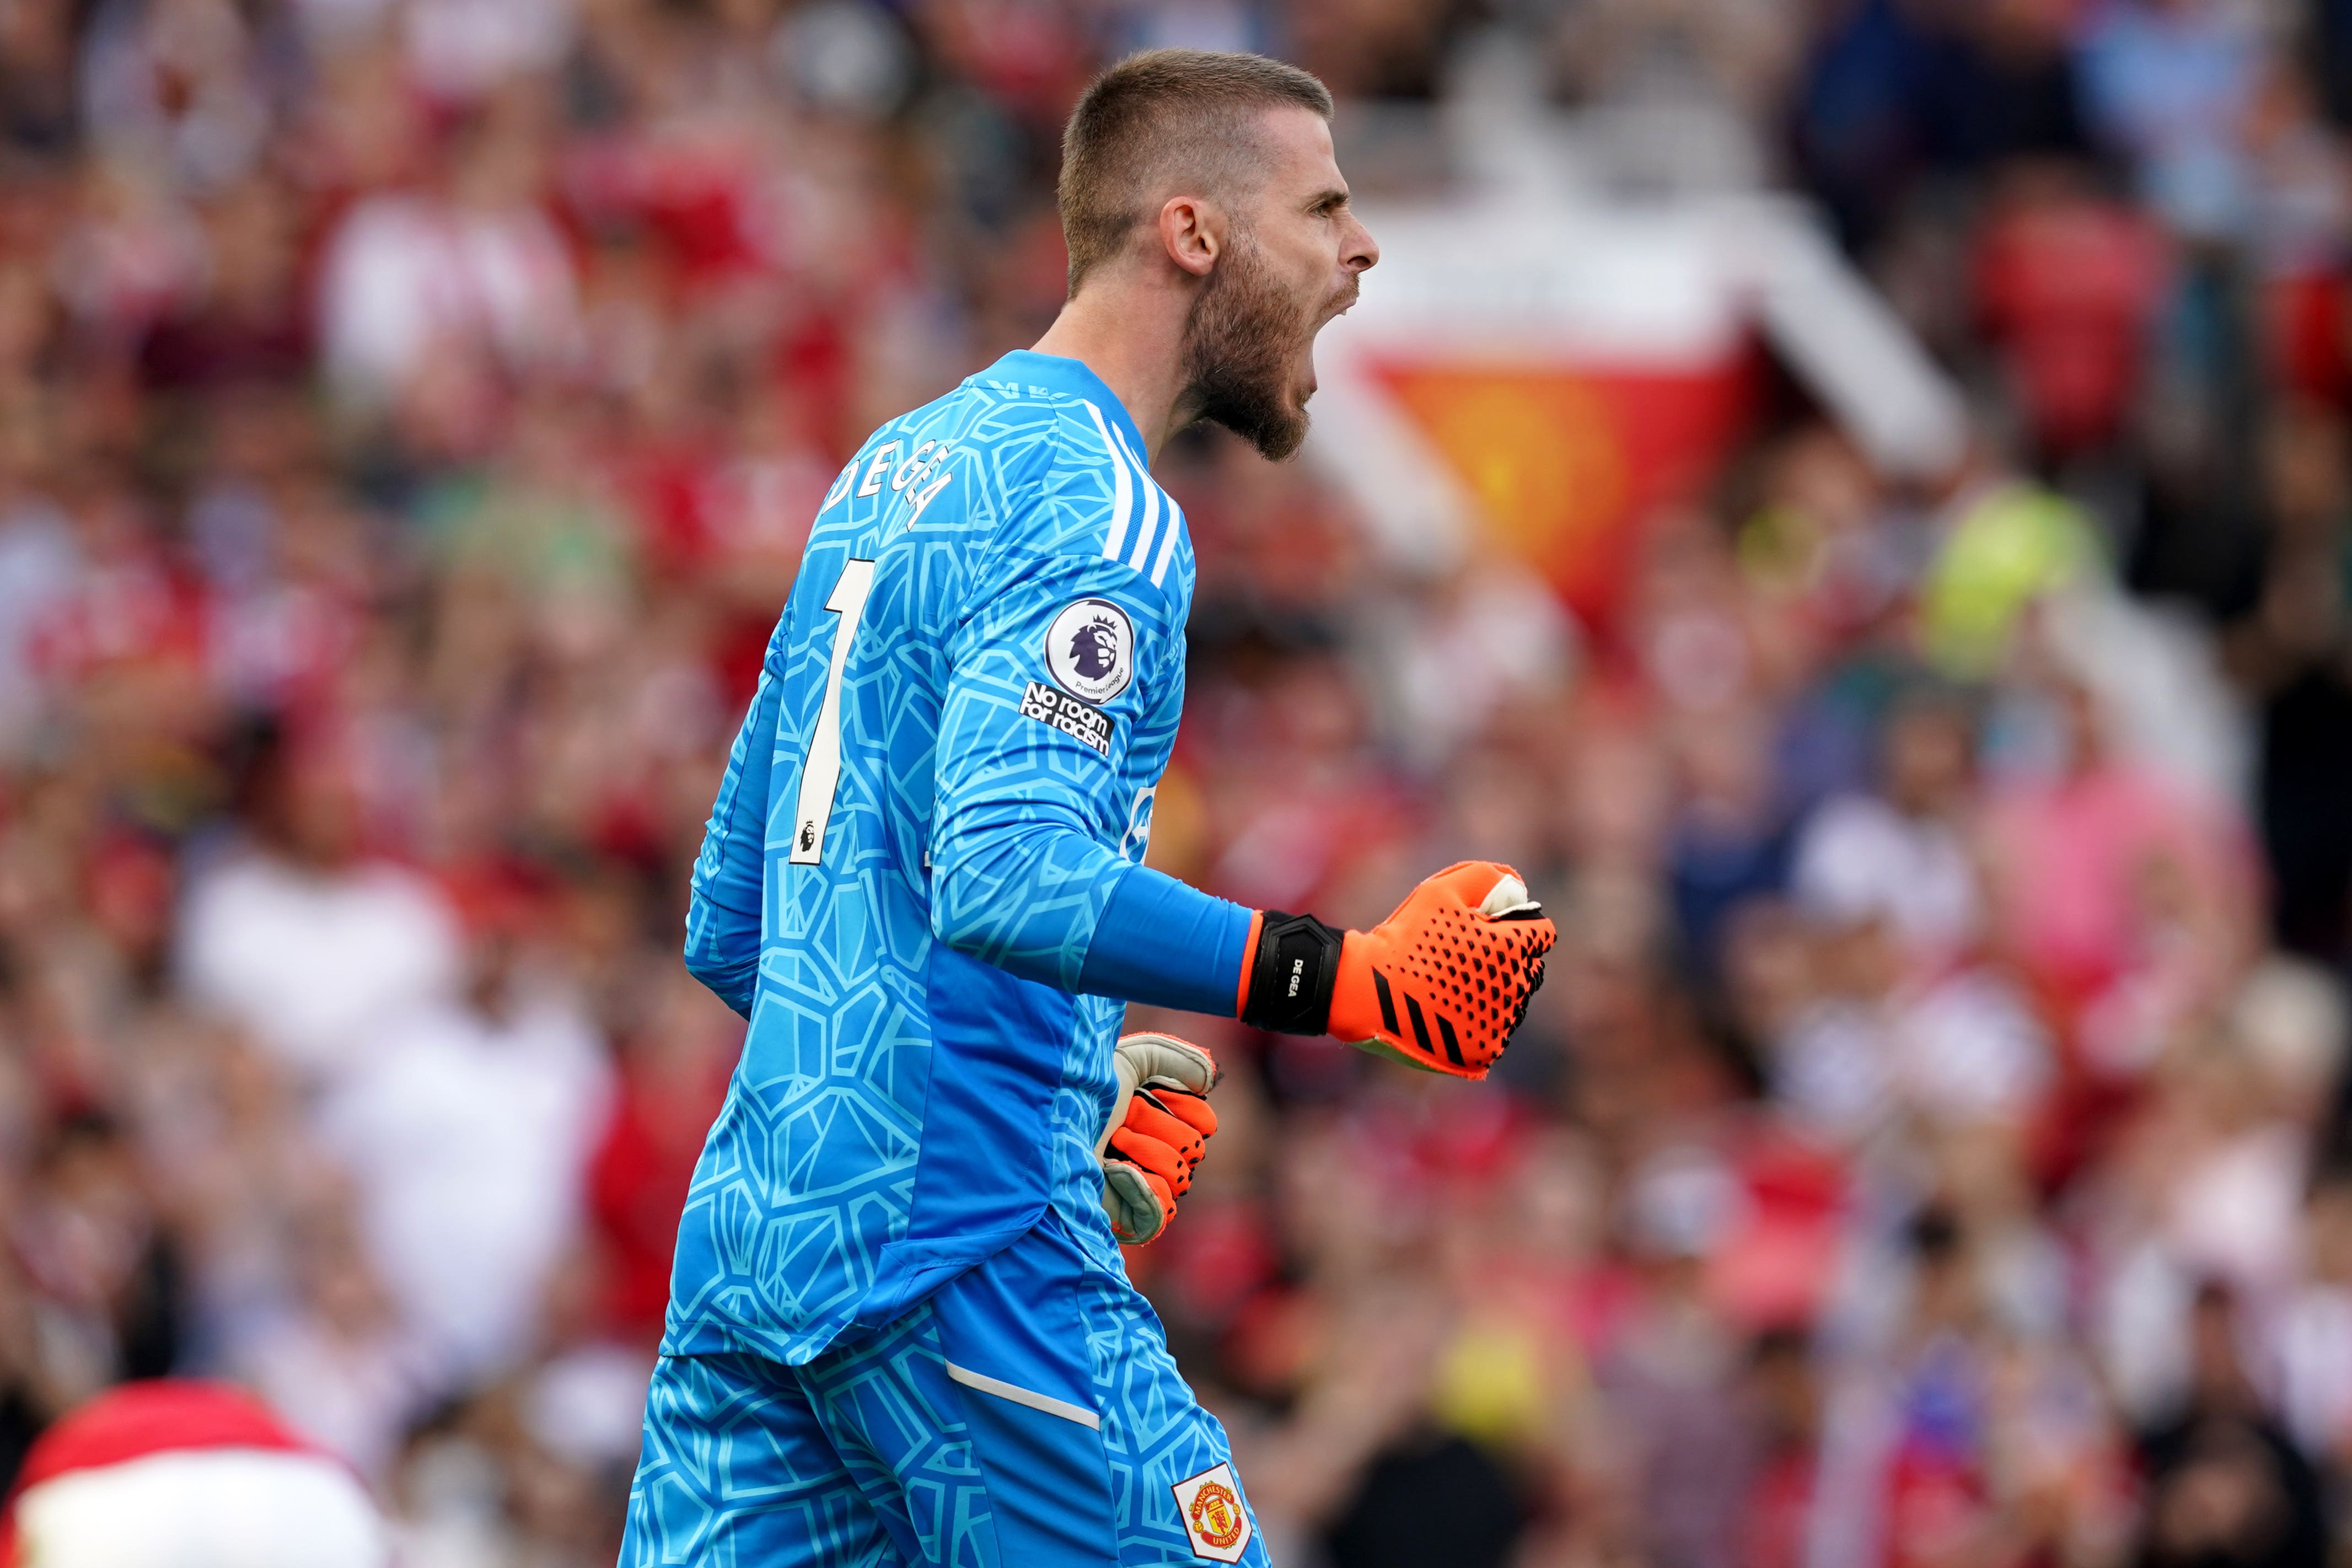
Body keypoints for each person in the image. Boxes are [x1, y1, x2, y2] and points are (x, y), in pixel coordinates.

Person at [620, 47, 1556, 1568]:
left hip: (759, 1254)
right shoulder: (1102, 508)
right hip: (959, 1259)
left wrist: (1055, 1089)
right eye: (1323, 206)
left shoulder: (894, 467)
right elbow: (1006, 874)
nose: (1362, 245)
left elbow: (742, 920)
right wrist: (1354, 976)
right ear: (1192, 231)